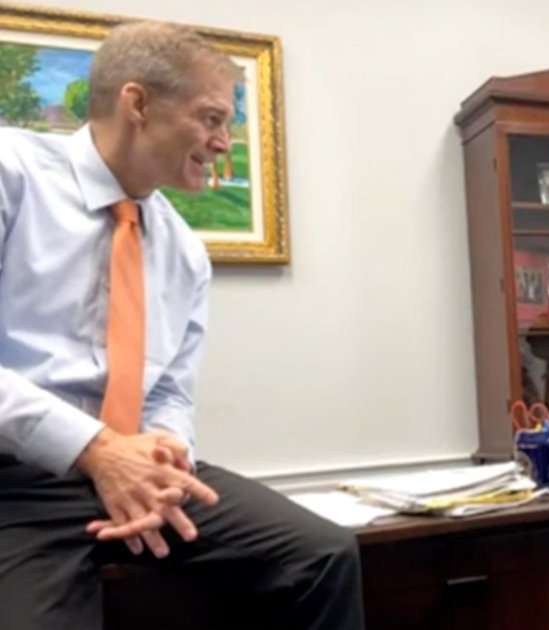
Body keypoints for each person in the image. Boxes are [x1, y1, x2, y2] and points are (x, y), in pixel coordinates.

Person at [0, 21, 364, 629]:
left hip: (139, 469)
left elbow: (168, 390)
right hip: (17, 481)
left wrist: (166, 463)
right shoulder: (11, 173)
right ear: (138, 104)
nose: (224, 142)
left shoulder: (183, 250)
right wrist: (97, 450)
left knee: (323, 556)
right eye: (213, 118)